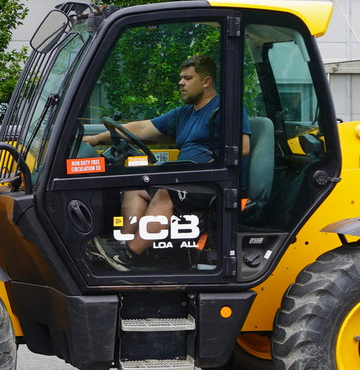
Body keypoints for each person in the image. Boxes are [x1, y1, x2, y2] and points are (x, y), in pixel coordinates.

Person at [82, 54, 250, 270]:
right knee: (135, 187)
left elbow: (243, 147)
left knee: (165, 192)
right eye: (181, 78)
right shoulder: (184, 114)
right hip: (187, 179)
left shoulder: (226, 108)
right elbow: (141, 128)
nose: (181, 83)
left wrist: (211, 165)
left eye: (187, 78)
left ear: (206, 81)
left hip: (213, 183)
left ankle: (129, 255)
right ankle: (121, 247)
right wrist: (96, 139)